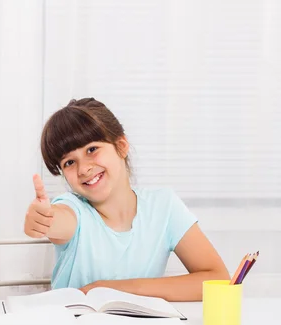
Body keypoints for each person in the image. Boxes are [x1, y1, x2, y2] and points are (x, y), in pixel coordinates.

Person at [24, 98, 229, 301]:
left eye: (92, 149)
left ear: (121, 146)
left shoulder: (164, 207)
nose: (83, 168)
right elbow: (59, 219)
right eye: (69, 162)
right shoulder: (72, 208)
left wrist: (113, 289)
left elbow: (218, 281)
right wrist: (45, 220)